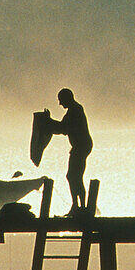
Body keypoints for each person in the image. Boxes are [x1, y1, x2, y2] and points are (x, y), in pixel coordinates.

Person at [54, 87, 93, 215]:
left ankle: (80, 207)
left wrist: (47, 123)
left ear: (67, 98)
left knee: (74, 176)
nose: (60, 104)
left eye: (61, 100)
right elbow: (62, 127)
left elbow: (63, 128)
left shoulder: (75, 110)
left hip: (82, 146)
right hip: (80, 146)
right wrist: (49, 122)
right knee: (73, 176)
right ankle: (78, 206)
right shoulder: (73, 110)